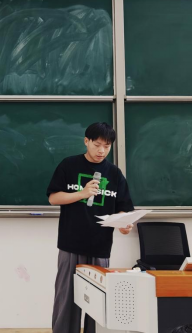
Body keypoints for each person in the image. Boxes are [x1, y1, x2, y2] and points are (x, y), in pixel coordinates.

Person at [47, 122, 135, 333]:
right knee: (67, 299)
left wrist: (124, 225)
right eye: (97, 145)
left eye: (107, 146)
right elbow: (53, 198)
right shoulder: (69, 165)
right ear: (86, 141)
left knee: (97, 302)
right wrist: (82, 194)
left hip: (100, 245)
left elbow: (123, 209)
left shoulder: (114, 173)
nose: (101, 150)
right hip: (71, 243)